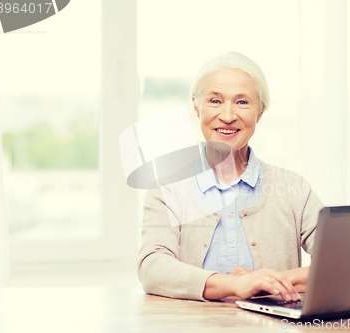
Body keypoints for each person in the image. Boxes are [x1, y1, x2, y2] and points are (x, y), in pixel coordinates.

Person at [137, 52, 324, 302]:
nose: (227, 116)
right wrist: (234, 285)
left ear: (260, 112)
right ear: (197, 107)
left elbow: (344, 260)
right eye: (215, 101)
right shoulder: (168, 188)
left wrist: (266, 283)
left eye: (242, 102)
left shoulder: (292, 188)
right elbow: (153, 267)